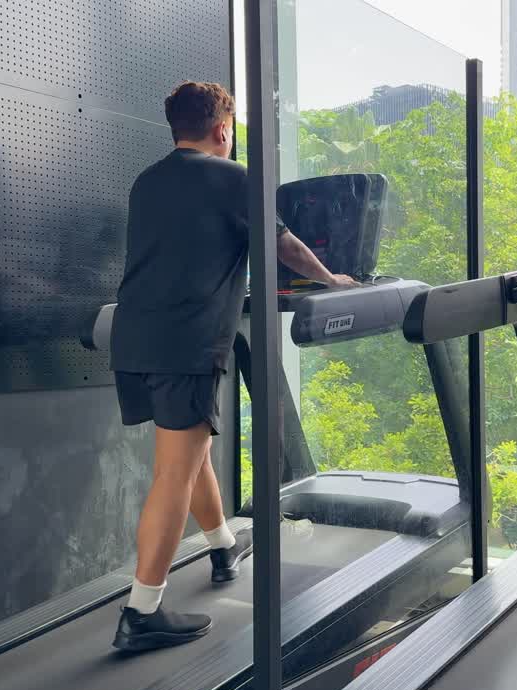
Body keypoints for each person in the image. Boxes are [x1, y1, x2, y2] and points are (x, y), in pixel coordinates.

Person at [109, 80, 355, 652]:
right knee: (174, 472)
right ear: (223, 129)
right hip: (186, 344)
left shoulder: (147, 181)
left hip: (134, 336)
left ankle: (222, 547)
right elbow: (284, 245)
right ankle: (141, 611)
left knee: (188, 451)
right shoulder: (232, 177)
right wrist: (331, 279)